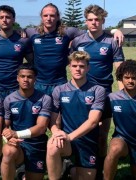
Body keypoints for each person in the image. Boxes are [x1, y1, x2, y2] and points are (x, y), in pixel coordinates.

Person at [70, 5, 125, 178]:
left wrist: (123, 96)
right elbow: (72, 65)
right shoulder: (78, 41)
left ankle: (100, 168)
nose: (94, 23)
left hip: (105, 92)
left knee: (102, 134)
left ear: (103, 21)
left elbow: (120, 71)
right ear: (86, 21)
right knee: (80, 130)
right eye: (91, 19)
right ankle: (75, 163)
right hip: (81, 93)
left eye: (97, 20)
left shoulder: (111, 41)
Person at [24, 3, 124, 96]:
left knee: (60, 114)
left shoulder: (68, 32)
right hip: (39, 83)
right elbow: (14, 33)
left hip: (60, 82)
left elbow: (93, 30)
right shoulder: (32, 32)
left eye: (52, 15)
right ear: (41, 17)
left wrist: (115, 30)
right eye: (46, 15)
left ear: (58, 17)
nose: (49, 18)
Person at [0, 5, 33, 176]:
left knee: (19, 126)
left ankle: (23, 162)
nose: (5, 20)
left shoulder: (23, 40)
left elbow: (32, 63)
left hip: (15, 91)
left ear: (13, 19)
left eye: (8, 17)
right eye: (2, 17)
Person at [46, 51, 106, 180]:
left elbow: (93, 121)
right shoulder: (59, 90)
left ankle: (69, 166)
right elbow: (53, 119)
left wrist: (70, 136)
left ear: (88, 68)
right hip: (67, 142)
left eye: (82, 66)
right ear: (69, 67)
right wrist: (56, 131)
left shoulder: (98, 90)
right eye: (74, 66)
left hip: (87, 142)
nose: (78, 69)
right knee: (52, 145)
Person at [1, 63, 52, 180]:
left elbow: (41, 127)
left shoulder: (44, 99)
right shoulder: (9, 99)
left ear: (35, 79)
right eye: (22, 76)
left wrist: (16, 133)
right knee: (8, 151)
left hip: (37, 145)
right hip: (18, 144)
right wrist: (8, 137)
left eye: (29, 77)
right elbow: (4, 126)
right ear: (17, 78)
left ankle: (21, 171)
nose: (25, 79)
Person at [103, 60, 136, 179]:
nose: (130, 81)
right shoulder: (112, 98)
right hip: (123, 139)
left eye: (134, 78)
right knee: (114, 148)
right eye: (127, 77)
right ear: (121, 78)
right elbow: (100, 119)